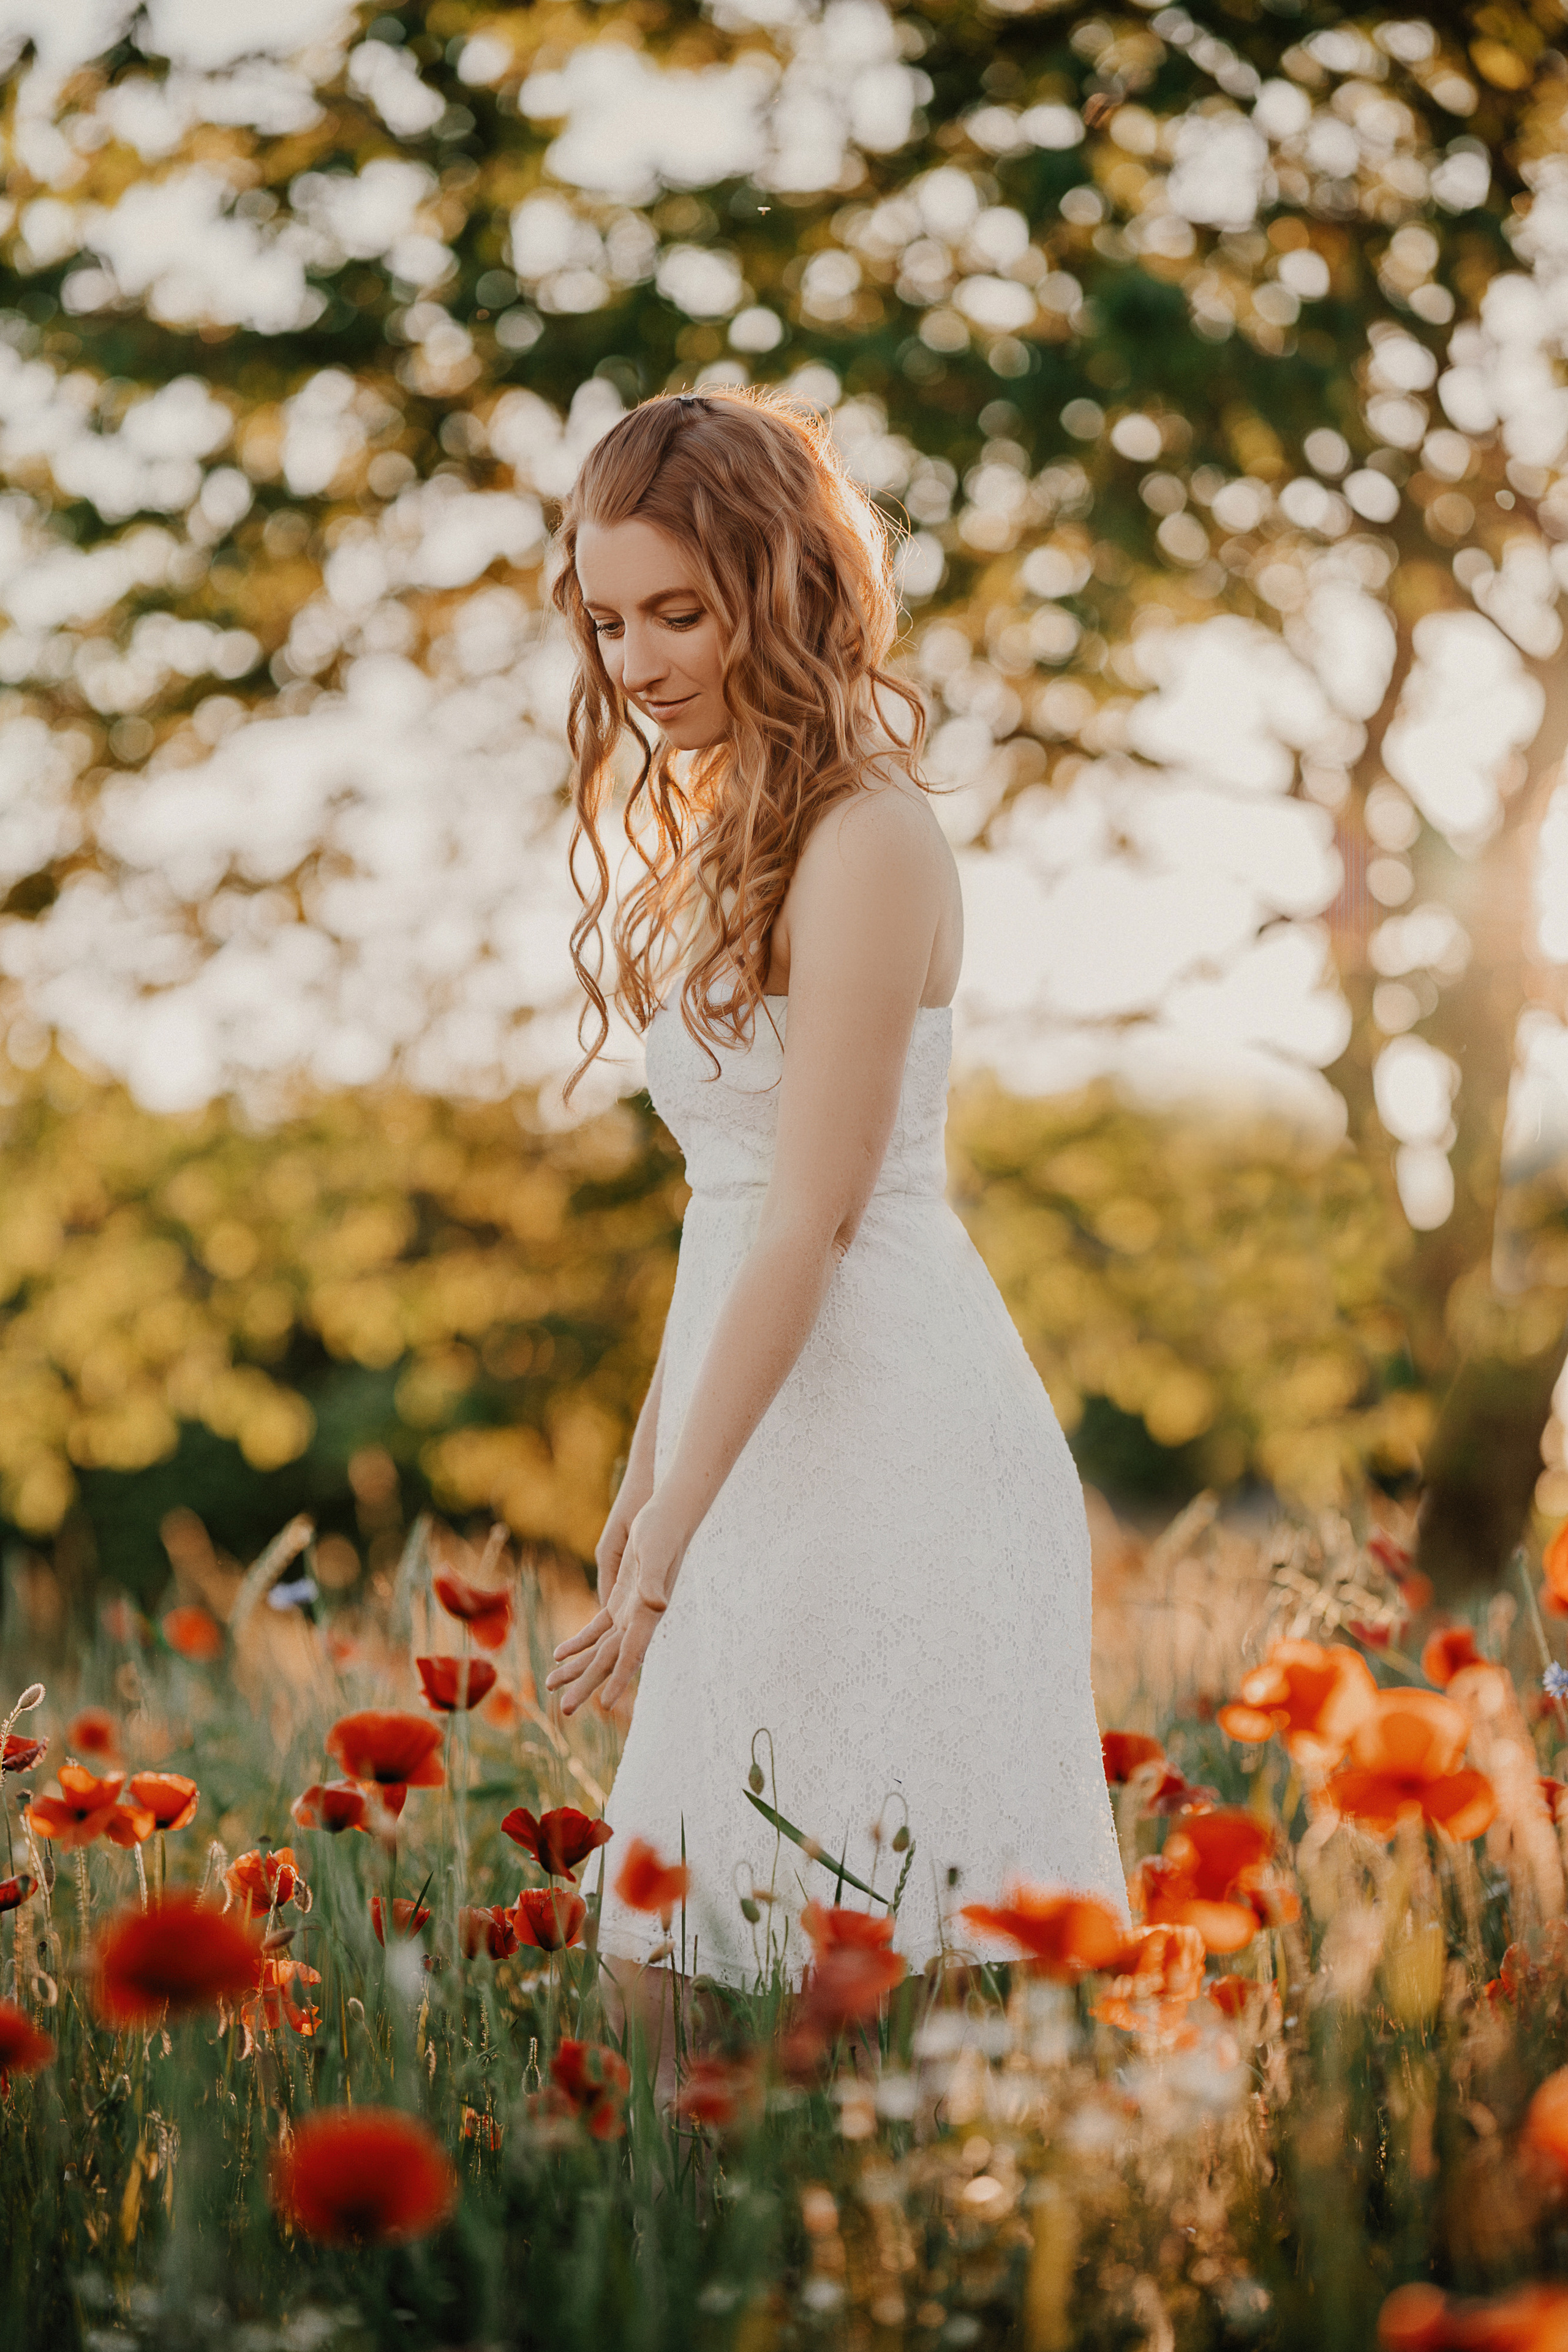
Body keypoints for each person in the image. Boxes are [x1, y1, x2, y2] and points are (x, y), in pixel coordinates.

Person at [545, 386, 1126, 2002]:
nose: (638, 661)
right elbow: (718, 1206)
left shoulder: (869, 842)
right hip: (748, 1426)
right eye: (607, 620)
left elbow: (815, 1217)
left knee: (864, 1975)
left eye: (678, 611)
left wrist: (668, 1544)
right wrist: (652, 1470)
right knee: (669, 1970)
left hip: (893, 1440)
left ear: (785, 590)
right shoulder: (720, 843)